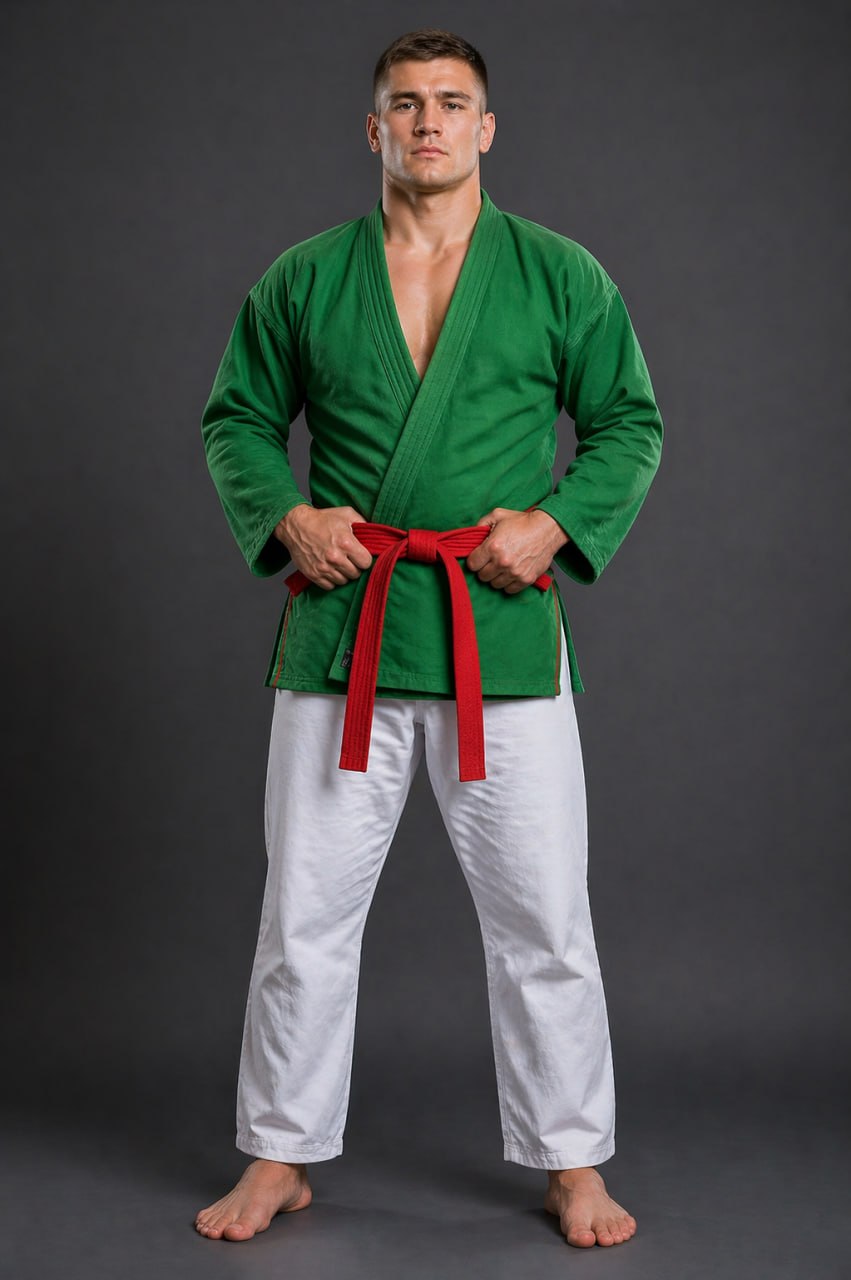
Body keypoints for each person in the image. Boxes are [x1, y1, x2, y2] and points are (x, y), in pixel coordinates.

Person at [194, 27, 663, 1249]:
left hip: (494, 626)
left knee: (543, 917)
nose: (427, 123)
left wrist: (554, 523)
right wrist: (288, 516)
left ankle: (571, 1157)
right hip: (342, 629)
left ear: (485, 128)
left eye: (451, 103)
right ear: (373, 128)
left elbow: (627, 423)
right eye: (404, 104)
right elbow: (237, 420)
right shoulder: (304, 277)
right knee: (303, 914)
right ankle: (279, 1149)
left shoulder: (558, 275)